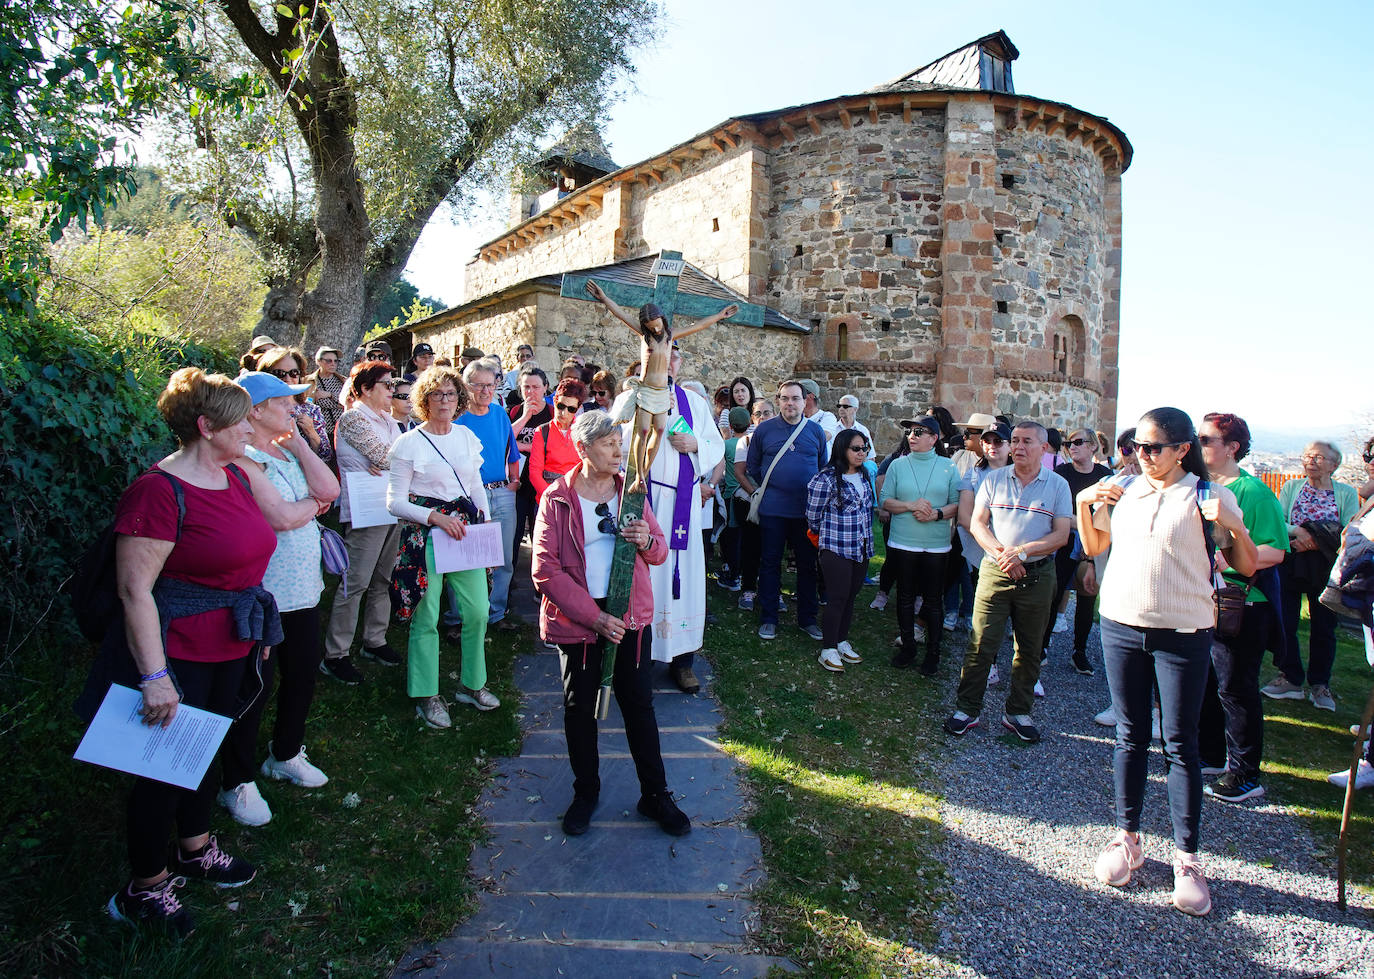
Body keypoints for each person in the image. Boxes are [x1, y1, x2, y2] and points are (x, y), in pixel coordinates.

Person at [105, 368, 288, 935]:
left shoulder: (234, 476)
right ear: (208, 427)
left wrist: (252, 638)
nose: (251, 429)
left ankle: (194, 846)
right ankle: (145, 887)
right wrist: (154, 675)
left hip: (232, 642)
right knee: (161, 770)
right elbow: (135, 590)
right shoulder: (158, 492)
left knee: (206, 753)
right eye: (241, 421)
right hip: (178, 652)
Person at [1079, 407, 1258, 917]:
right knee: (1130, 735)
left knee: (1180, 744)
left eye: (1153, 448)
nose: (1142, 455)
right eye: (1137, 446)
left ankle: (1186, 858)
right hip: (1120, 624)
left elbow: (1245, 566)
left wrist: (1231, 528)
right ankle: (1128, 837)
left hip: (1183, 632)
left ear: (1183, 450)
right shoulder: (1125, 489)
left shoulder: (1208, 496)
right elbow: (1096, 546)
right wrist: (1084, 501)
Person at [530, 410, 690, 837]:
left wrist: (647, 540)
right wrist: (595, 617)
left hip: (630, 616)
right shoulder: (557, 498)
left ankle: (655, 795)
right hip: (582, 619)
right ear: (582, 449)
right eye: (608, 443)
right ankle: (586, 792)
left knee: (639, 706)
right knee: (580, 709)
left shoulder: (632, 493)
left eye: (619, 441)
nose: (619, 450)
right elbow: (546, 570)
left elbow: (658, 553)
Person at [218, 371, 341, 825]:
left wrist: (302, 447)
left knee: (303, 674)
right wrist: (313, 506)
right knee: (255, 687)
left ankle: (286, 752)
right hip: (263, 595)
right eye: (284, 400)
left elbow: (330, 490)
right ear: (255, 410)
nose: (294, 406)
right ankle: (237, 780)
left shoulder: (287, 451)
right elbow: (282, 518)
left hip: (303, 591)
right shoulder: (242, 460)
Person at [605, 343, 723, 694]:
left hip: (681, 507)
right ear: (646, 360)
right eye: (660, 354)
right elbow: (614, 440)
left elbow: (715, 446)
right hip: (642, 500)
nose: (668, 361)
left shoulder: (694, 402)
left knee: (682, 577)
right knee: (641, 578)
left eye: (674, 355)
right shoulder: (630, 398)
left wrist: (696, 444)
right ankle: (637, 656)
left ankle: (682, 661)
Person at [386, 366, 500, 727]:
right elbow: (394, 502)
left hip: (465, 533)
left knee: (479, 610)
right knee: (427, 616)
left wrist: (482, 517)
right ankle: (426, 694)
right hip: (427, 537)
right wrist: (434, 518)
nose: (445, 401)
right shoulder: (408, 443)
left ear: (459, 398)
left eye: (451, 394)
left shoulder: (466, 437)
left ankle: (472, 684)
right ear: (425, 400)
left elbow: (474, 484)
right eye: (437, 395)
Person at [944, 421, 1071, 744]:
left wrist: (1023, 552)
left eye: (1026, 441)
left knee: (1029, 647)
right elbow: (978, 523)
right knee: (981, 642)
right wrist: (1004, 556)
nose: (1018, 447)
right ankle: (967, 709)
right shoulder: (994, 480)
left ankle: (1018, 711)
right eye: (1015, 440)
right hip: (995, 571)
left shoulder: (1057, 485)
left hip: (1038, 575)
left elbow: (1060, 534)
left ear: (1044, 448)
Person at [1193, 412, 1289, 803]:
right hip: (1208, 599)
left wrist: (1225, 561)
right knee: (1210, 683)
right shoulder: (1201, 486)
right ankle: (1214, 755)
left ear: (1233, 447)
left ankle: (1246, 773)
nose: (1199, 446)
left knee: (1237, 688)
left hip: (1244, 604)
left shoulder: (1255, 493)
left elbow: (1275, 551)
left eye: (1207, 439)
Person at [584, 281, 736, 493]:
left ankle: (642, 473)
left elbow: (698, 326)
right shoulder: (644, 337)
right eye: (650, 325)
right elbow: (620, 314)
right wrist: (604, 297)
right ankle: (639, 475)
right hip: (645, 392)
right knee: (643, 431)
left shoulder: (693, 397)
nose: (654, 328)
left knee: (659, 429)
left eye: (656, 323)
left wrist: (720, 316)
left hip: (661, 395)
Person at [320, 363, 405, 686]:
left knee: (383, 577)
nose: (391, 390)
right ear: (366, 388)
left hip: (389, 505)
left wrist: (392, 465)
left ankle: (375, 639)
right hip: (367, 510)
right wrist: (392, 465)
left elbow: (397, 457)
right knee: (355, 581)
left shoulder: (387, 419)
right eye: (385, 384)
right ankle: (336, 653)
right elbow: (389, 457)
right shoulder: (354, 418)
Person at [1262, 440, 1360, 710]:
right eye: (1307, 456)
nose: (1310, 461)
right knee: (1286, 621)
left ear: (1334, 464)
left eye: (1318, 457)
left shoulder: (1346, 492)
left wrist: (1317, 542)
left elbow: (1350, 527)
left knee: (1324, 626)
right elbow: (1279, 521)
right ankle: (1290, 677)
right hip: (1293, 560)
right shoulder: (1292, 487)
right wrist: (1300, 533)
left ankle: (1320, 684)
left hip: (1326, 565)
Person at [745, 380, 828, 642]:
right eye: (784, 398)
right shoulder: (764, 431)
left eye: (795, 398)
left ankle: (807, 618)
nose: (789, 403)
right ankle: (769, 617)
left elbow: (822, 468)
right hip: (773, 510)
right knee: (770, 564)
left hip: (806, 512)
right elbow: (754, 466)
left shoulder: (815, 432)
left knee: (807, 566)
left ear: (806, 401)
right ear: (778, 401)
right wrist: (777, 487)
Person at [882, 416, 961, 676]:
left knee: (933, 600)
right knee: (904, 597)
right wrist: (910, 505)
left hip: (936, 546)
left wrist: (936, 513)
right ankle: (908, 647)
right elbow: (885, 501)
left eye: (919, 431)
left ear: (934, 438)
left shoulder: (949, 467)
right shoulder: (898, 465)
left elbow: (956, 505)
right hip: (903, 542)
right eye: (909, 431)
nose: (912, 436)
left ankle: (933, 653)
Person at [451, 360, 523, 631]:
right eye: (478, 385)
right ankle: (459, 619)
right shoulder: (456, 418)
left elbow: (512, 452)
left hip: (501, 493)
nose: (484, 391)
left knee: (502, 558)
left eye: (490, 385)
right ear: (466, 386)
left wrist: (514, 480)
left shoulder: (500, 413)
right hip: (468, 497)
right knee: (465, 560)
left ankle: (495, 613)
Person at [1040, 427, 1112, 674]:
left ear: (1093, 445)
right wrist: (1084, 524)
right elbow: (1054, 512)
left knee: (1087, 594)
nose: (1073, 446)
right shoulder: (1062, 473)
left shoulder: (1105, 476)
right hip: (1064, 541)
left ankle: (1079, 651)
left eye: (1079, 442)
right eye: (1069, 443)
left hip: (1094, 545)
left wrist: (1084, 528)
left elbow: (1108, 515)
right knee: (1054, 592)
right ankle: (1042, 646)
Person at [807, 429, 876, 671]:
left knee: (850, 596)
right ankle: (828, 648)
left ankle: (841, 639)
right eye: (856, 448)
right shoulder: (825, 479)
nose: (861, 453)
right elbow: (813, 515)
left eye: (864, 448)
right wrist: (823, 534)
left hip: (862, 547)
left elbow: (868, 510)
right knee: (837, 597)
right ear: (842, 449)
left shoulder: (865, 474)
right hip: (836, 547)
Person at [733, 398, 776, 611]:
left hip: (778, 502)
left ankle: (772, 591)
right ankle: (748, 588)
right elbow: (740, 472)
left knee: (773, 549)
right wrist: (756, 494)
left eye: (767, 413)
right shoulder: (746, 441)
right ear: (752, 418)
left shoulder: (780, 439)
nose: (763, 417)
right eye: (758, 414)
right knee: (751, 547)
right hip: (752, 501)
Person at [257, 345, 332, 464]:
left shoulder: (310, 409)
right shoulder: (258, 408)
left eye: (293, 373)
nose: (287, 378)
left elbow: (325, 455)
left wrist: (311, 432)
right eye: (279, 373)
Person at [510, 365, 554, 544]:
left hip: (542, 480)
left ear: (545, 388)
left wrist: (522, 446)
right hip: (518, 481)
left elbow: (552, 445)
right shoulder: (515, 411)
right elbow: (506, 440)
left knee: (540, 534)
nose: (531, 392)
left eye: (535, 387)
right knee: (515, 532)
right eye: (526, 387)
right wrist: (526, 417)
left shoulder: (552, 413)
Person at [530, 379, 587, 501]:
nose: (563, 413)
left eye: (571, 409)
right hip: (547, 496)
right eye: (560, 406)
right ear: (555, 400)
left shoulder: (583, 432)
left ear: (579, 408)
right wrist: (551, 497)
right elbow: (535, 473)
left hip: (576, 496)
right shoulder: (542, 431)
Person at [717, 406, 751, 592]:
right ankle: (747, 574)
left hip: (731, 495)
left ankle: (733, 576)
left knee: (733, 537)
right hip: (748, 494)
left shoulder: (726, 445)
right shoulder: (752, 442)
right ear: (750, 424)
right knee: (748, 537)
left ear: (730, 425)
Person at [308, 346, 345, 449]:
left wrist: (329, 394)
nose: (333, 364)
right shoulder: (310, 381)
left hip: (341, 432)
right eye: (328, 361)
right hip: (320, 432)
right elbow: (314, 402)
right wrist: (337, 403)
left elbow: (346, 401)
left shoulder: (343, 381)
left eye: (335, 361)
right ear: (319, 361)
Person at [832, 395, 874, 460]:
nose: (841, 409)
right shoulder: (832, 429)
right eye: (839, 406)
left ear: (855, 409)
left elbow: (871, 457)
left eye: (845, 406)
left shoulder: (862, 430)